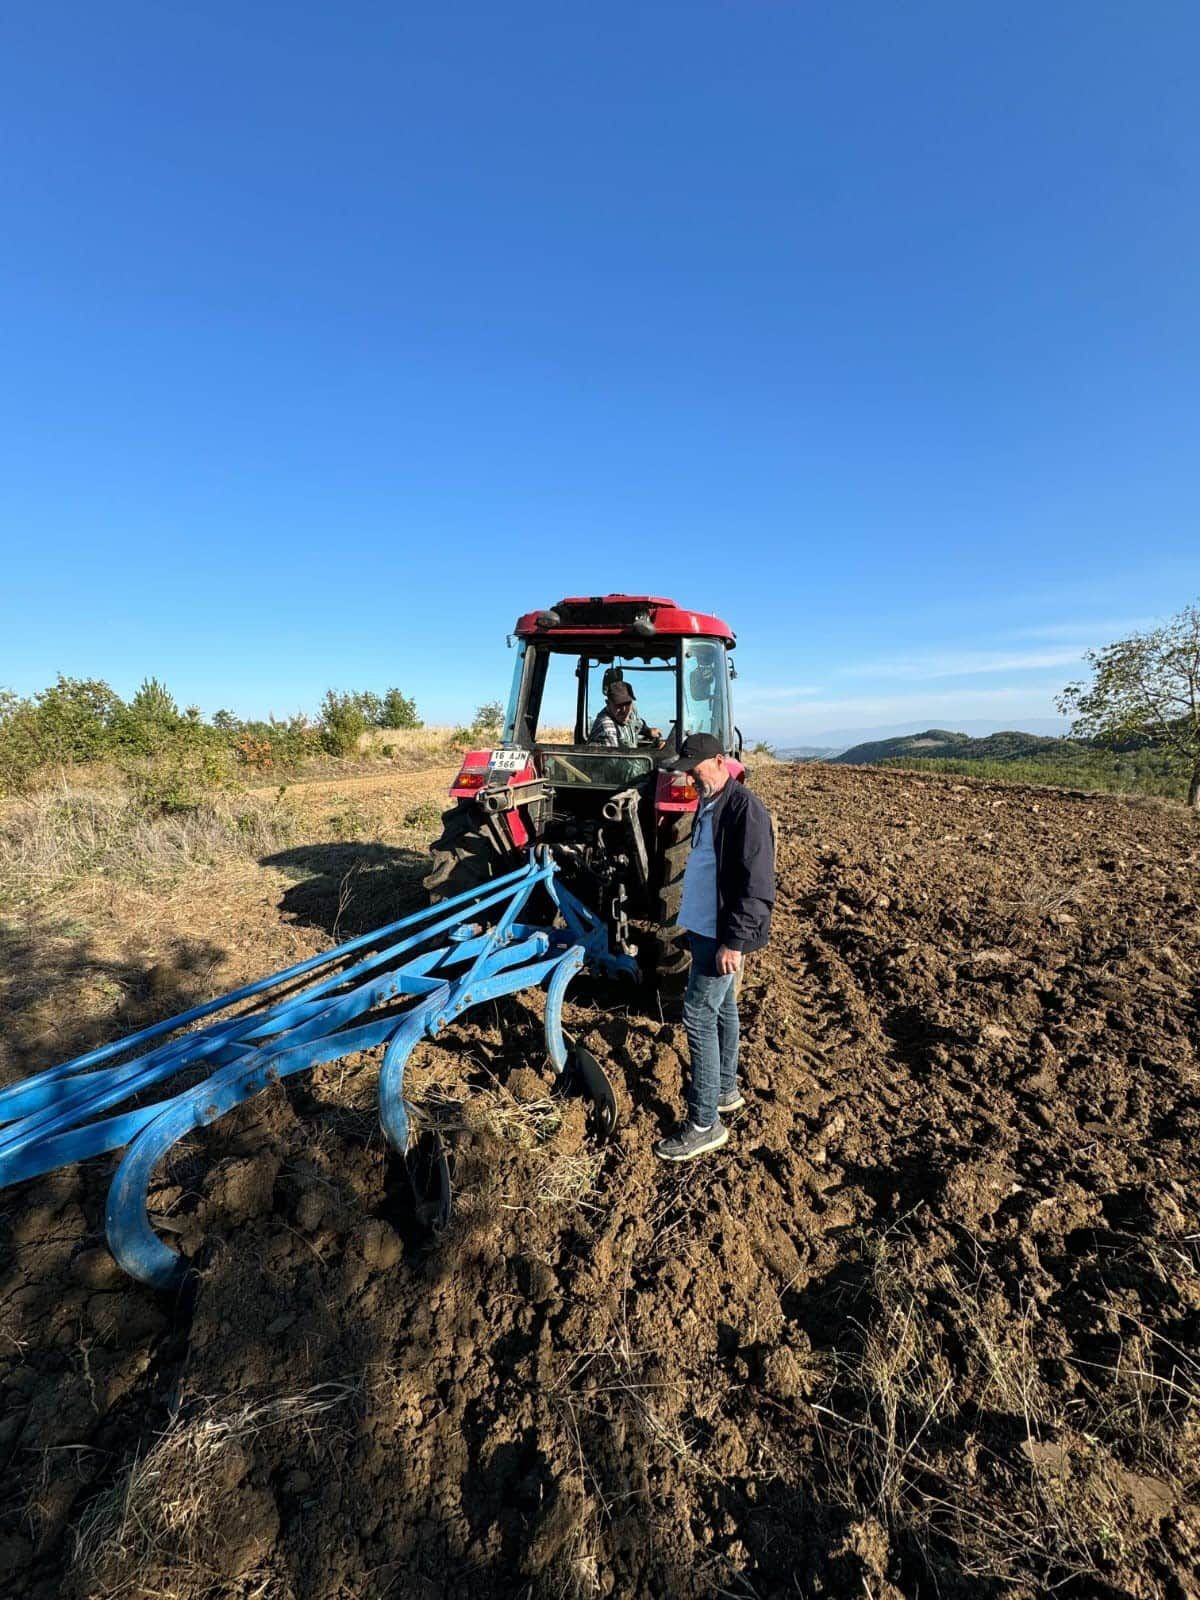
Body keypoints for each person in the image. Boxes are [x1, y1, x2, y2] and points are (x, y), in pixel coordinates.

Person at [654, 732, 776, 1162]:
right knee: (724, 1009)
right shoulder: (709, 802)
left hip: (723, 935)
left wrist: (735, 942)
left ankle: (704, 1123)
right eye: (685, 768)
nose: (690, 775)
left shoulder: (746, 809)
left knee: (697, 1015)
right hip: (705, 929)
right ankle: (724, 1089)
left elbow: (756, 885)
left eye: (696, 767)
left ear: (721, 760)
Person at [587, 681, 660, 748]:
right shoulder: (607, 729)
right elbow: (617, 761)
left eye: (627, 703)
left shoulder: (631, 710)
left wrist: (649, 731)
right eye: (618, 705)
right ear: (608, 703)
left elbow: (637, 724)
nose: (624, 710)